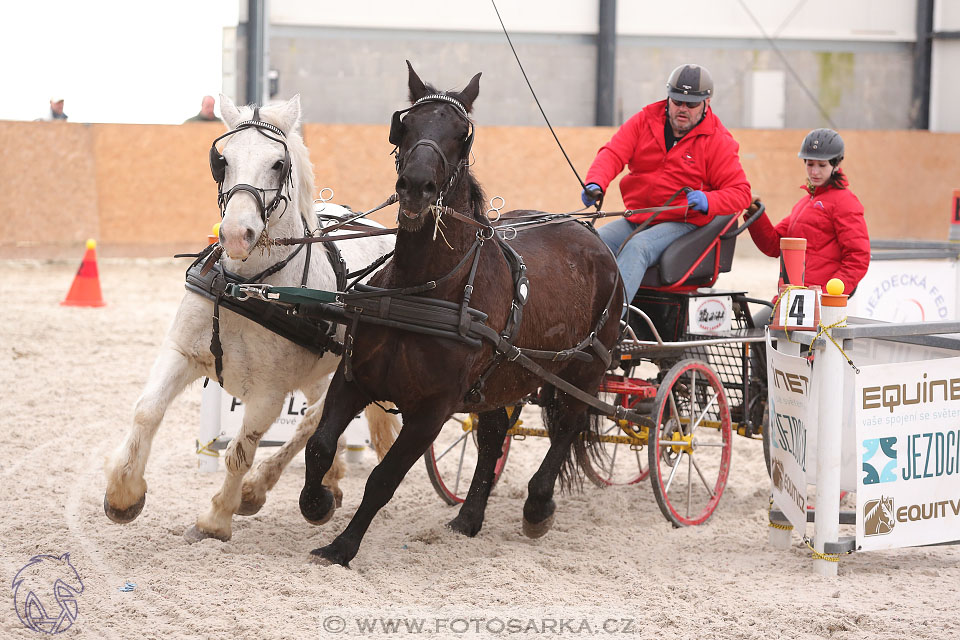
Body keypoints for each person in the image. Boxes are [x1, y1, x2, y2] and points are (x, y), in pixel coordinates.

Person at [581, 63, 751, 308]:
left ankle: (612, 324)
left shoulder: (718, 141)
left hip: (682, 221)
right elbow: (613, 153)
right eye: (677, 101)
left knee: (638, 248)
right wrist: (595, 182)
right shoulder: (643, 121)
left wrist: (709, 201)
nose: (683, 109)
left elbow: (741, 193)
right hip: (639, 217)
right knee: (590, 240)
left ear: (706, 103)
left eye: (691, 104)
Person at [747, 128, 870, 298]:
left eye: (822, 165)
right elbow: (774, 246)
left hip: (816, 302)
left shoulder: (845, 202)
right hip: (793, 298)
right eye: (810, 164)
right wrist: (755, 215)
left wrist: (825, 296)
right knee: (755, 324)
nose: (814, 172)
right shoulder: (805, 203)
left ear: (836, 165)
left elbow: (858, 259)